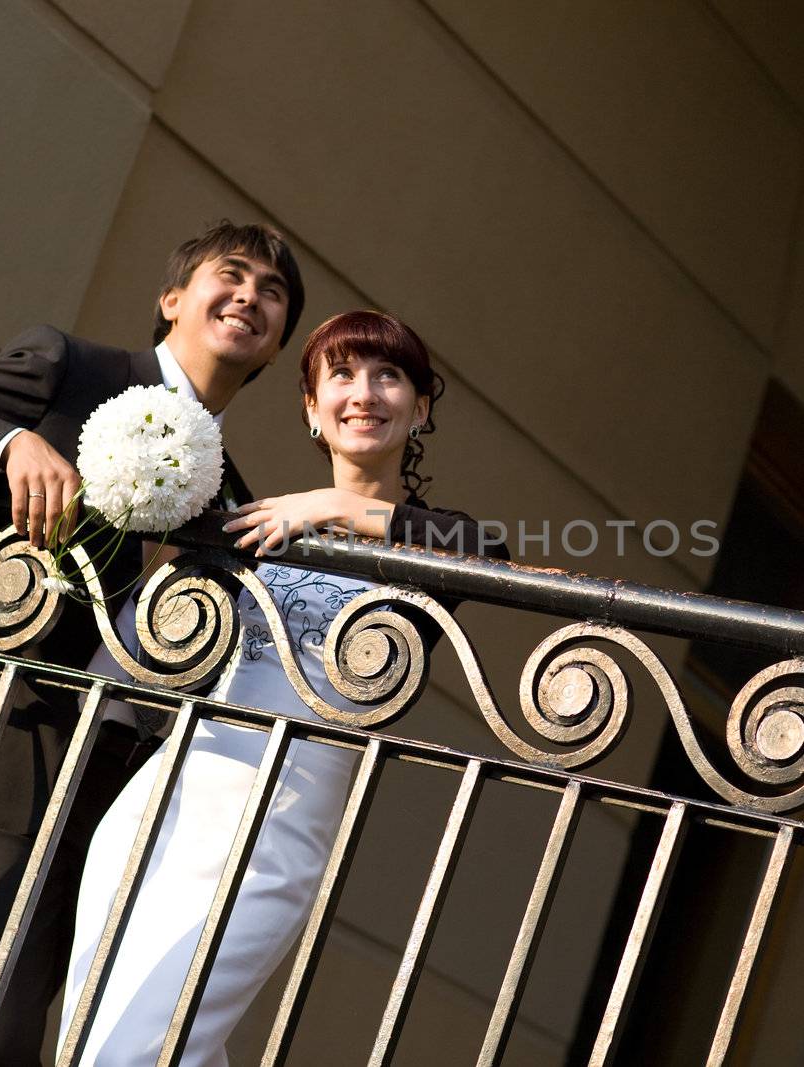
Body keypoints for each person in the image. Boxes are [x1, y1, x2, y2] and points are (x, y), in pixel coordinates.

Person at [0, 220, 305, 1066]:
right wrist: (11, 443)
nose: (249, 296)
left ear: (275, 348)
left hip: (109, 790)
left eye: (272, 293)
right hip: (1, 738)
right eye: (230, 276)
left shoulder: (230, 498)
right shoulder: (77, 370)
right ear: (172, 300)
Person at [61, 311, 503, 1065]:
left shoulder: (437, 540)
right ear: (311, 409)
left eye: (388, 375)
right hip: (164, 803)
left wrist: (332, 506)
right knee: (94, 1045)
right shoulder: (257, 526)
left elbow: (485, 552)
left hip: (278, 828)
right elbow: (141, 647)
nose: (364, 393)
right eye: (341, 375)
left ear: (420, 407)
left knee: (141, 1051)